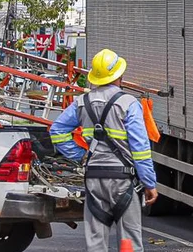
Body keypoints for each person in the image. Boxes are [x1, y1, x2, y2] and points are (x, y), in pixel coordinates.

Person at [49, 49, 157, 252]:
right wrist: (149, 182)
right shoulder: (129, 104)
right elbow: (141, 149)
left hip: (94, 179)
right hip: (123, 181)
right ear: (119, 75)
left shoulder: (81, 103)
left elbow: (57, 131)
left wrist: (82, 156)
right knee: (129, 242)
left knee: (96, 242)